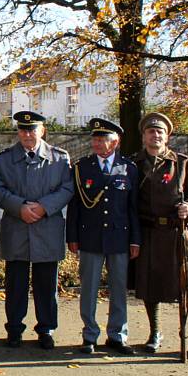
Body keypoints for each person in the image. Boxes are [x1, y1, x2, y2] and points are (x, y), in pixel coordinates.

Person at [0, 111, 74, 349]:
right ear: (18, 132)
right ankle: (15, 329)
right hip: (17, 228)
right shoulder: (3, 159)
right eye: (23, 130)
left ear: (42, 130)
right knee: (15, 284)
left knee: (46, 285)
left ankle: (46, 329)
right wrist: (19, 207)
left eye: (32, 129)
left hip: (46, 227)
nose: (27, 134)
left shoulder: (60, 158)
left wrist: (43, 207)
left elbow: (67, 188)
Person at [133, 112, 188, 358]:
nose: (155, 135)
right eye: (150, 131)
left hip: (179, 233)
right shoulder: (134, 164)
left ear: (167, 137)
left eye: (160, 132)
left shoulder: (182, 162)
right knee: (149, 285)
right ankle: (155, 333)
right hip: (149, 233)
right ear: (144, 136)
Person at [67, 118, 140, 355]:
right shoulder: (82, 167)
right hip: (90, 238)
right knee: (89, 288)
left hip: (119, 238)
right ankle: (89, 335)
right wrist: (72, 237)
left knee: (118, 288)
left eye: (103, 139)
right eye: (95, 139)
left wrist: (135, 240)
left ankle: (117, 335)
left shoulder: (128, 168)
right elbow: (75, 206)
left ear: (115, 142)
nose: (97, 144)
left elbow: (133, 208)